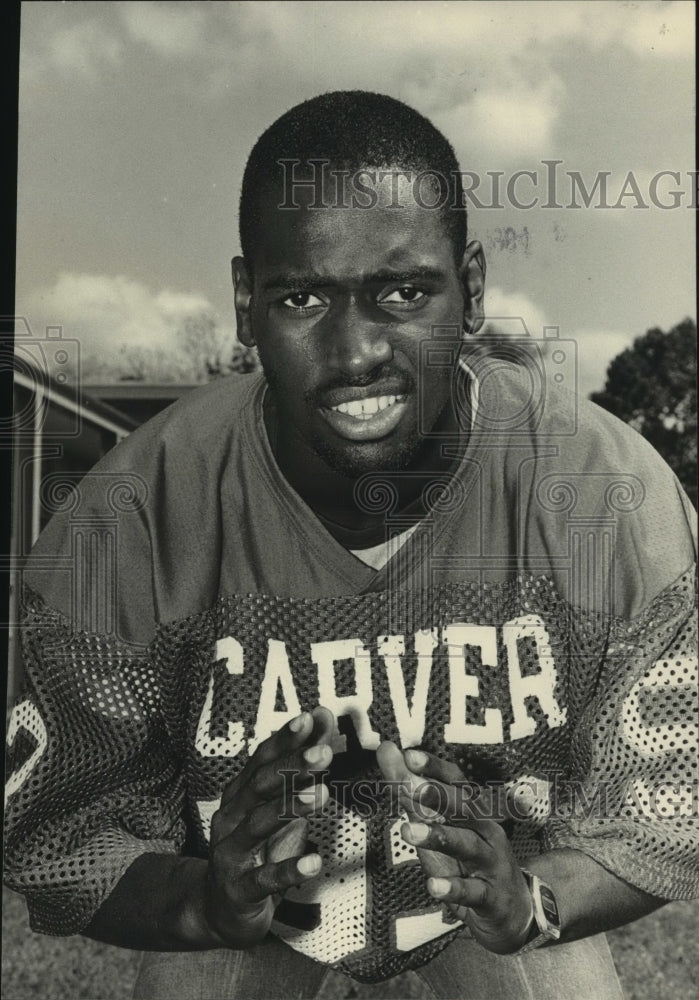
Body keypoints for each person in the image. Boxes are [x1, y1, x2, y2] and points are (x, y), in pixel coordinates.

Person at [5, 91, 697, 1000]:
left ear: (473, 289)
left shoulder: (600, 489)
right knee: (200, 976)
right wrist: (209, 900)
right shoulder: (136, 511)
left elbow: (661, 813)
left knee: (558, 975)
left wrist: (528, 900)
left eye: (403, 291)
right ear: (247, 305)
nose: (357, 349)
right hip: (256, 898)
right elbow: (61, 837)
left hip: (496, 898)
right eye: (303, 297)